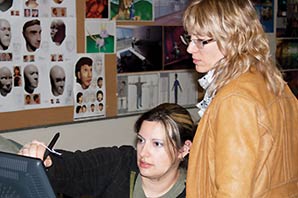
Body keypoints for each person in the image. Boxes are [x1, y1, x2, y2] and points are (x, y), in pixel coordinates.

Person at [181, 0, 298, 197]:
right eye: (189, 38)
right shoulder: (275, 84)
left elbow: (233, 191)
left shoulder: (235, 100)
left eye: (201, 40)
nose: (190, 49)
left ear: (233, 39)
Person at [19, 103, 195, 198]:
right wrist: (48, 162)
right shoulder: (121, 163)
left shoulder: (198, 190)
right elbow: (76, 167)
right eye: (141, 140)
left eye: (157, 144)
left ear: (184, 149)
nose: (143, 152)